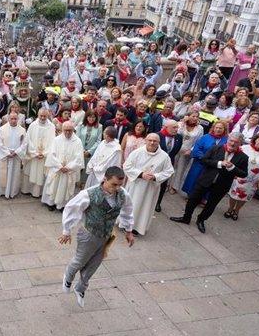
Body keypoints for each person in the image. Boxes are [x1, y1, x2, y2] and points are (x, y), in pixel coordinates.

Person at [58, 166, 135, 308]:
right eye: (114, 184)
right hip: (89, 234)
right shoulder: (89, 194)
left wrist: (129, 231)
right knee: (80, 261)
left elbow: (128, 211)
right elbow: (72, 208)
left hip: (106, 235)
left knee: (94, 264)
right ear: (105, 179)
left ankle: (80, 288)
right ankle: (68, 277)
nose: (117, 188)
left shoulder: (123, 194)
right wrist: (66, 231)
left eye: (120, 185)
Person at [171, 133, 249, 233]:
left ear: (240, 144)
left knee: (211, 205)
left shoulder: (243, 157)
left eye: (236, 142)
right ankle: (186, 217)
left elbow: (244, 174)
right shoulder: (216, 148)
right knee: (192, 199)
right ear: (228, 140)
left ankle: (201, 220)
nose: (232, 144)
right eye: (231, 141)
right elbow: (204, 160)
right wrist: (219, 163)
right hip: (205, 180)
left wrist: (233, 168)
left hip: (221, 186)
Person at [123, 133, 174, 235]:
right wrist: (141, 174)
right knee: (132, 205)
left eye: (155, 141)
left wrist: (155, 177)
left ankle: (138, 227)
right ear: (145, 140)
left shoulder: (164, 156)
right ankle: (125, 224)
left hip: (150, 188)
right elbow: (126, 166)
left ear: (159, 143)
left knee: (145, 207)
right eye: (150, 140)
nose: (152, 142)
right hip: (136, 185)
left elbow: (169, 171)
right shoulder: (137, 152)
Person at [224, 132, 259, 221]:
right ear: (255, 139)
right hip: (239, 176)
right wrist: (233, 172)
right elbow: (235, 160)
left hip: (253, 180)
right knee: (234, 194)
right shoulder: (243, 148)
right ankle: (230, 208)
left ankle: (236, 210)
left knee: (244, 197)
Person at [41, 121, 84, 211]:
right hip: (57, 169)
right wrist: (59, 166)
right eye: (65, 130)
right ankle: (51, 203)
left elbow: (79, 158)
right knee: (53, 185)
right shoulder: (57, 139)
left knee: (65, 187)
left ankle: (63, 205)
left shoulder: (78, 141)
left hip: (68, 170)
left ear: (73, 130)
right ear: (62, 130)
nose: (67, 132)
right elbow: (51, 154)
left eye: (70, 130)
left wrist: (68, 167)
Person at [181, 121, 228, 196]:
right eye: (217, 127)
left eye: (220, 128)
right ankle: (191, 195)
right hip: (200, 163)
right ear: (213, 128)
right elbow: (197, 149)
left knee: (209, 182)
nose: (218, 130)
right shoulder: (205, 137)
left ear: (224, 130)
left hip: (214, 166)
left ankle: (203, 198)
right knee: (195, 179)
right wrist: (205, 158)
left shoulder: (226, 140)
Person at [0, 111, 27, 198]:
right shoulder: (2, 129)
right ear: (8, 119)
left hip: (15, 156)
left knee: (13, 175)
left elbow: (24, 144)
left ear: (18, 119)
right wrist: (7, 153)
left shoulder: (22, 130)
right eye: (11, 119)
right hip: (4, 156)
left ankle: (11, 191)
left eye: (15, 119)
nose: (13, 121)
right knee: (2, 174)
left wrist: (16, 152)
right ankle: (0, 191)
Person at [21, 108, 56, 198]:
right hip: (33, 155)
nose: (43, 118)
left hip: (44, 156)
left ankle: (38, 192)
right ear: (38, 115)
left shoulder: (51, 126)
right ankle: (27, 190)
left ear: (48, 116)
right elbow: (28, 140)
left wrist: (44, 153)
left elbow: (53, 142)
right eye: (41, 116)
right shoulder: (33, 125)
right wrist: (35, 152)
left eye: (45, 116)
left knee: (41, 173)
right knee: (30, 171)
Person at [155, 120, 182, 211]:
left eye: (177, 127)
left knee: (163, 184)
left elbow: (175, 151)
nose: (176, 129)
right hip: (156, 164)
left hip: (168, 164)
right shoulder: (158, 135)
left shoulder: (179, 137)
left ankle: (158, 202)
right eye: (174, 127)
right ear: (166, 127)